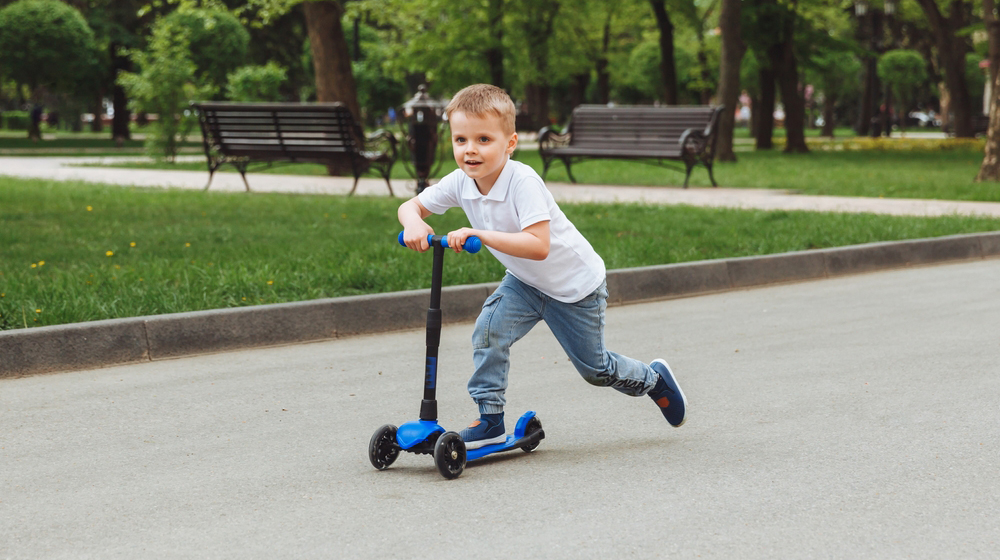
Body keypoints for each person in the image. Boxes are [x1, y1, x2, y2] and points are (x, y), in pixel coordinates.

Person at [397, 84, 687, 449]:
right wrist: (414, 223)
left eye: (483, 139)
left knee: (596, 371)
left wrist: (480, 234)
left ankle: (653, 380)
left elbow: (538, 245)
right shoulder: (461, 182)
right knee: (488, 331)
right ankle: (490, 418)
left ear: (510, 143)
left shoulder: (523, 182)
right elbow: (412, 206)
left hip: (574, 287)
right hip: (525, 283)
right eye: (460, 140)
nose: (470, 150)